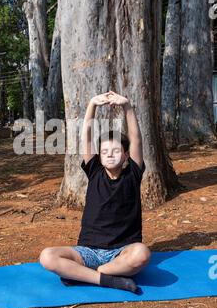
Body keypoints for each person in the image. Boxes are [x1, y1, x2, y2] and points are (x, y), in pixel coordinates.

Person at [39, 91, 151, 293]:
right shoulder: (94, 172)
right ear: (99, 156)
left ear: (126, 155)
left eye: (116, 151)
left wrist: (127, 106)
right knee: (47, 256)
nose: (110, 155)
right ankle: (109, 280)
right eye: (105, 152)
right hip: (88, 251)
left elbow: (136, 139)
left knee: (142, 254)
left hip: (121, 253)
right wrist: (92, 105)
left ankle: (87, 274)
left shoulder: (132, 174)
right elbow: (86, 136)